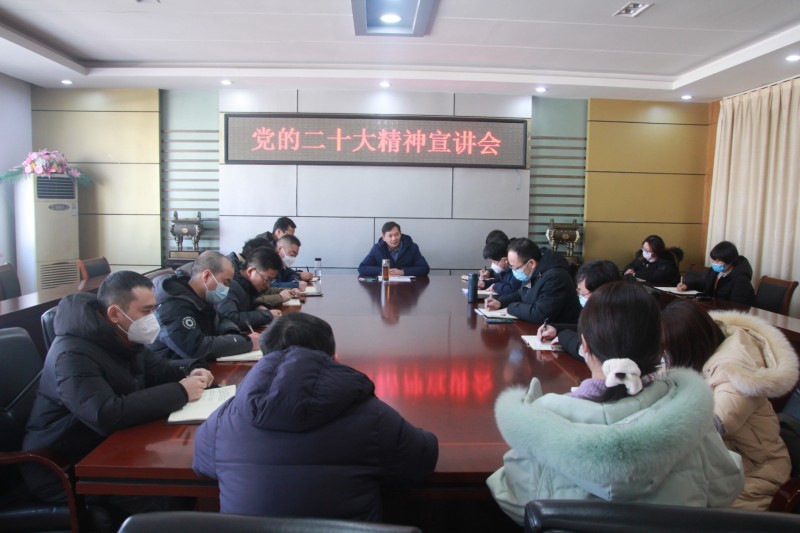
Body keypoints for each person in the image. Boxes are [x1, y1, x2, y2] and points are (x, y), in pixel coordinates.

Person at [486, 282, 743, 525]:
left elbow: (513, 501)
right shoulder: (692, 418)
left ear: (584, 346)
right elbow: (725, 489)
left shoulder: (541, 423)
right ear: (659, 349)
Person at [192, 312, 439, 521]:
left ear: (264, 359)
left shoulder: (224, 419)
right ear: (333, 359)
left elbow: (203, 464)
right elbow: (422, 459)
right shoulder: (371, 415)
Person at [22, 271, 212, 519]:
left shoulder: (123, 335)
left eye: (154, 309)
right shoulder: (71, 355)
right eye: (146, 311)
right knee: (171, 499)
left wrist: (192, 368)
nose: (153, 318)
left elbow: (159, 369)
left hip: (107, 446)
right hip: (63, 466)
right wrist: (181, 391)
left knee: (186, 483)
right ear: (114, 314)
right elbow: (105, 413)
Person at [661, 300, 798, 510]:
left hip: (757, 473)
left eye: (668, 352)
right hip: (725, 462)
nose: (665, 359)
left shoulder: (737, 376)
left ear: (687, 348)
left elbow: (707, 427)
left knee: (673, 505)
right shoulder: (704, 356)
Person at [149, 251, 260, 361]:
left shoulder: (199, 297)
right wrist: (246, 342)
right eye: (225, 283)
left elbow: (220, 319)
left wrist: (232, 334)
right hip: (171, 369)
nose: (227, 289)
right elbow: (197, 348)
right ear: (206, 276)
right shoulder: (173, 306)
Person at [536, 259, 621, 359]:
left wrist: (564, 337)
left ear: (602, 292)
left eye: (583, 293)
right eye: (578, 291)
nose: (580, 296)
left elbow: (594, 351)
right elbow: (588, 329)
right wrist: (556, 329)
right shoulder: (601, 309)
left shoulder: (620, 315)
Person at [484, 238, 581, 324]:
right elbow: (520, 294)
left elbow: (540, 314)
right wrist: (500, 302)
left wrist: (511, 308)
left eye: (514, 267)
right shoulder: (533, 271)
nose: (513, 270)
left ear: (531, 263)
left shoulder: (556, 277)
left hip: (560, 332)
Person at [216, 246, 286, 331]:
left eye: (271, 281)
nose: (268, 285)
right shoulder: (230, 286)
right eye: (267, 280)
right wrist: (266, 315)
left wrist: (258, 306)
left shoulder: (247, 285)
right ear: (250, 271)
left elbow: (246, 303)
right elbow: (229, 319)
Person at [676, 241, 755, 305]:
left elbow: (737, 305)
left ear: (730, 261)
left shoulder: (741, 279)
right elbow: (702, 282)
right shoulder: (715, 271)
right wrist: (687, 285)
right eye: (714, 260)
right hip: (712, 308)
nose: (715, 263)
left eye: (719, 261)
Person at [358, 221, 430, 277]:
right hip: (384, 286)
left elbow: (424, 268)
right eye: (390, 236)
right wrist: (384, 271)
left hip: (406, 288)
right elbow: (362, 268)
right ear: (383, 238)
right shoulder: (377, 248)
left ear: (400, 234)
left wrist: (402, 272)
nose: (394, 238)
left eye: (396, 234)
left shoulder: (412, 247)